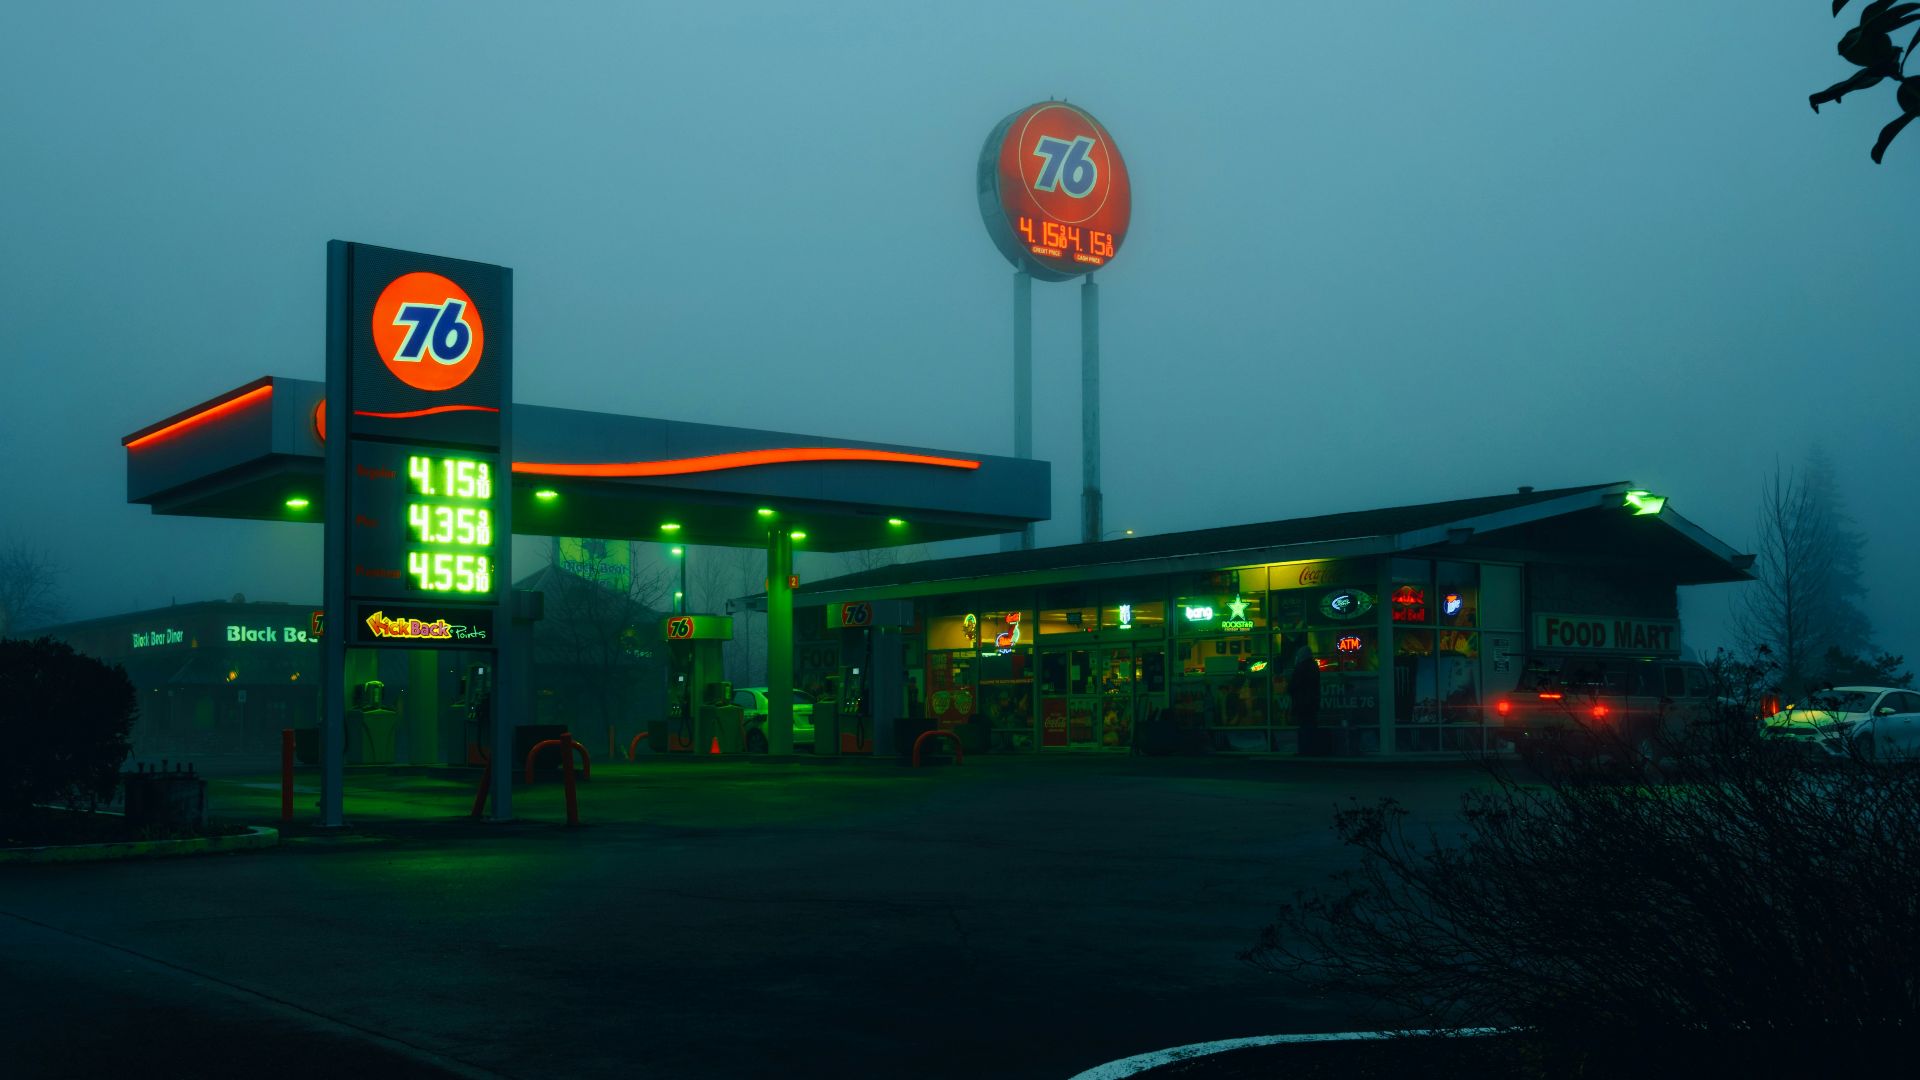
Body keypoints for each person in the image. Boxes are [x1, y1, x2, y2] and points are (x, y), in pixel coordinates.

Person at [1290, 644, 1323, 755]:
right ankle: (1312, 749)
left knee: (1304, 726)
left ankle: (1305, 750)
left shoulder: (1301, 667)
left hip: (1303, 703)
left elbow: (1293, 685)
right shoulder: (1313, 666)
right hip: (1312, 702)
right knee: (1311, 725)